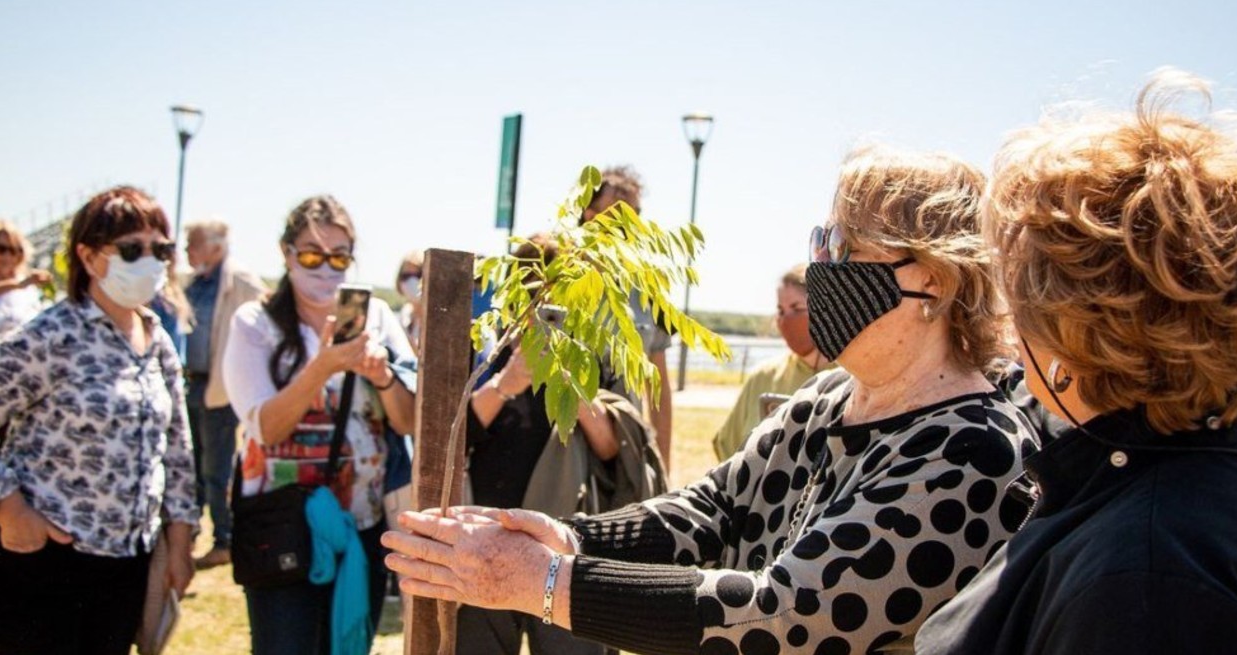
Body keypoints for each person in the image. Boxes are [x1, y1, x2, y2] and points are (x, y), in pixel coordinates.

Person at [385, 146, 1038, 654]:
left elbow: (783, 617)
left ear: (933, 275)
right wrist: (568, 536)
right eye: (820, 240)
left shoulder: (973, 448)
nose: (820, 267)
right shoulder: (829, 396)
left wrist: (544, 580)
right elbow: (715, 508)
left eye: (844, 247)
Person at [916, 71, 1237, 654]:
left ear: (1072, 327)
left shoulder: (1147, 582)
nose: (1006, 323)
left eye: (1014, 294)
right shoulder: (1221, 463)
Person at [0, 186, 199, 654]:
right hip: (46, 561)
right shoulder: (53, 334)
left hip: (129, 564)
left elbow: (177, 447)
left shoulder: (156, 337)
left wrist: (181, 537)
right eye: (132, 249)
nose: (150, 261)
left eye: (160, 249)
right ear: (88, 257)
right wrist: (9, 507)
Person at [222, 195, 417, 654]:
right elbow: (265, 428)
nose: (325, 268)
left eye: (339, 256)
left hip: (362, 524)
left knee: (349, 643)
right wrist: (324, 366)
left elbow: (407, 420)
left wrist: (382, 375)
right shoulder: (255, 323)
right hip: (281, 523)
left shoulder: (378, 319)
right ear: (286, 253)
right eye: (311, 253)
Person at [457, 232, 666, 655]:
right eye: (531, 294)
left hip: (565, 553)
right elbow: (454, 438)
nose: (542, 307)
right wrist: (505, 384)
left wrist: (573, 384)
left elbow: (616, 450)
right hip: (485, 543)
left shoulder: (597, 359)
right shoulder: (486, 351)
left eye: (557, 296)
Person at [183, 219, 268, 569]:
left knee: (216, 469)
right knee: (191, 465)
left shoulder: (240, 281)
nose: (188, 252)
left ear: (215, 246)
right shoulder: (192, 282)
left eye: (193, 244)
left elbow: (266, 322)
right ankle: (187, 534)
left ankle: (223, 540)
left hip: (220, 389)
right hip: (191, 383)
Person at [580, 166, 675, 470]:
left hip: (626, 454)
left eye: (635, 214)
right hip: (565, 452)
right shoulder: (555, 279)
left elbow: (658, 391)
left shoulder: (648, 289)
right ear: (589, 215)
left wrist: (661, 468)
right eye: (617, 213)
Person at [712, 263, 833, 460]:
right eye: (781, 310)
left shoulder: (851, 377)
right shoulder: (763, 376)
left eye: (797, 308)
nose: (787, 319)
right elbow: (727, 446)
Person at [0, 219, 50, 336]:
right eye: (1, 249)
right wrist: (17, 285)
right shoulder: (22, 284)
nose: (7, 256)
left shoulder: (28, 288)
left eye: (13, 250)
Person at [395, 251, 424, 350]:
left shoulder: (442, 319)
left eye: (418, 275)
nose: (412, 281)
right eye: (406, 276)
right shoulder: (402, 318)